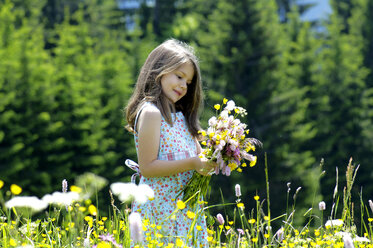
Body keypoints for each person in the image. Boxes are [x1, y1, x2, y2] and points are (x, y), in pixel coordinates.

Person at [125, 39, 215, 247]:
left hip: (186, 214)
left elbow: (200, 163)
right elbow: (147, 167)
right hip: (159, 211)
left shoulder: (183, 118)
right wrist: (193, 163)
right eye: (180, 77)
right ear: (159, 71)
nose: (184, 86)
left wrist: (219, 153)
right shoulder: (151, 113)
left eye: (189, 83)